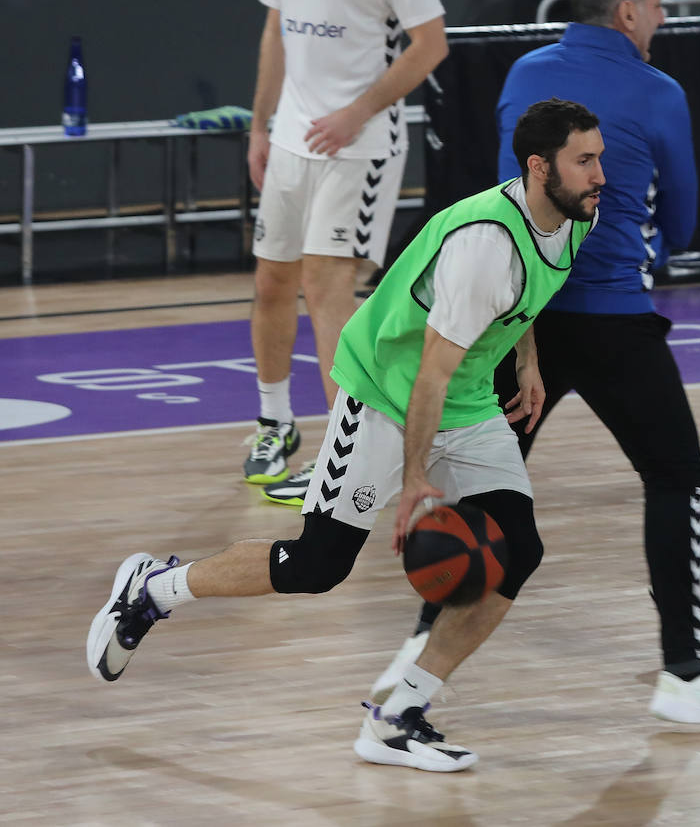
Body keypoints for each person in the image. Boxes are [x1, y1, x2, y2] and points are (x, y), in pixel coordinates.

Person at [88, 99, 605, 772]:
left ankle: (398, 717)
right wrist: (417, 478)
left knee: (519, 550)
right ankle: (153, 588)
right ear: (540, 168)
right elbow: (428, 375)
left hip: (467, 397)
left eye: (599, 157)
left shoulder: (570, 216)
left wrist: (527, 357)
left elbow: (520, 298)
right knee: (317, 566)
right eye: (585, 160)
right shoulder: (485, 243)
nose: (600, 174)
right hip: (388, 393)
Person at [356, 0, 700, 727]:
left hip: (526, 321)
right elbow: (681, 222)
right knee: (675, 473)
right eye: (655, 3)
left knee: (485, 494)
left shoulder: (524, 79)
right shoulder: (659, 92)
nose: (660, 16)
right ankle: (685, 675)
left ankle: (417, 654)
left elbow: (506, 201)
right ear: (626, 12)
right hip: (614, 316)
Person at [241, 0, 449, 492]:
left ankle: (343, 458)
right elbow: (277, 31)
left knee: (328, 290)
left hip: (362, 146)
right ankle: (276, 424)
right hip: (294, 140)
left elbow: (431, 45)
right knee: (272, 282)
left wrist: (356, 111)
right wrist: (261, 126)